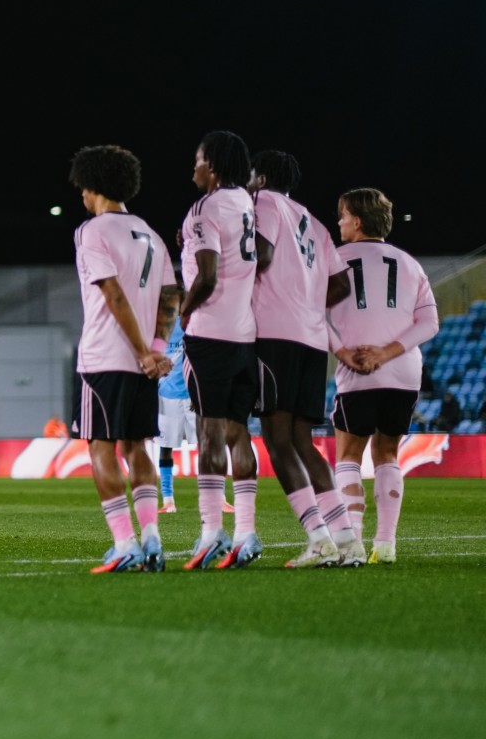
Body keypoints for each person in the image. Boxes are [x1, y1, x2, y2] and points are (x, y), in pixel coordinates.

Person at [246, 150, 359, 569]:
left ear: (261, 178)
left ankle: (319, 539)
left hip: (274, 335)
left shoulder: (263, 202)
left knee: (277, 440)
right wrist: (306, 302)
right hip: (311, 340)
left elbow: (260, 255)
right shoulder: (315, 222)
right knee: (300, 441)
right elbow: (341, 285)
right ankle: (346, 541)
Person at [67, 145, 173, 572]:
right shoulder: (151, 235)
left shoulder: (91, 231)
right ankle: (152, 538)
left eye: (83, 187)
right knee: (137, 447)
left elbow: (112, 294)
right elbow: (171, 297)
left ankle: (125, 543)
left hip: (104, 358)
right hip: (142, 365)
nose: (81, 195)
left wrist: (143, 351)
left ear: (93, 185)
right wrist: (156, 351)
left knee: (102, 447)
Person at [326, 187, 439, 566]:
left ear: (357, 222)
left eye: (343, 216)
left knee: (348, 455)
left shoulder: (334, 260)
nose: (339, 222)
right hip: (403, 372)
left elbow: (309, 314)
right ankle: (386, 544)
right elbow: (430, 322)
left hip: (357, 369)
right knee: (388, 453)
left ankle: (354, 543)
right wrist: (387, 353)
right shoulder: (409, 263)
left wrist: (344, 352)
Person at [177, 130, 264, 570]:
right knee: (238, 432)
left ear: (210, 165)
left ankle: (212, 532)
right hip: (245, 335)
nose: (192, 167)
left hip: (209, 334)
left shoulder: (204, 208)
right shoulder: (246, 202)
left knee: (208, 432)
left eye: (197, 159)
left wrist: (183, 310)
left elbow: (207, 276)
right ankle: (246, 533)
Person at [153, 284, 192, 514]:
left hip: (193, 394)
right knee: (165, 447)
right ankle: (168, 500)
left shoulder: (193, 324)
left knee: (209, 446)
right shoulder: (160, 327)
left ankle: (218, 498)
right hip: (167, 395)